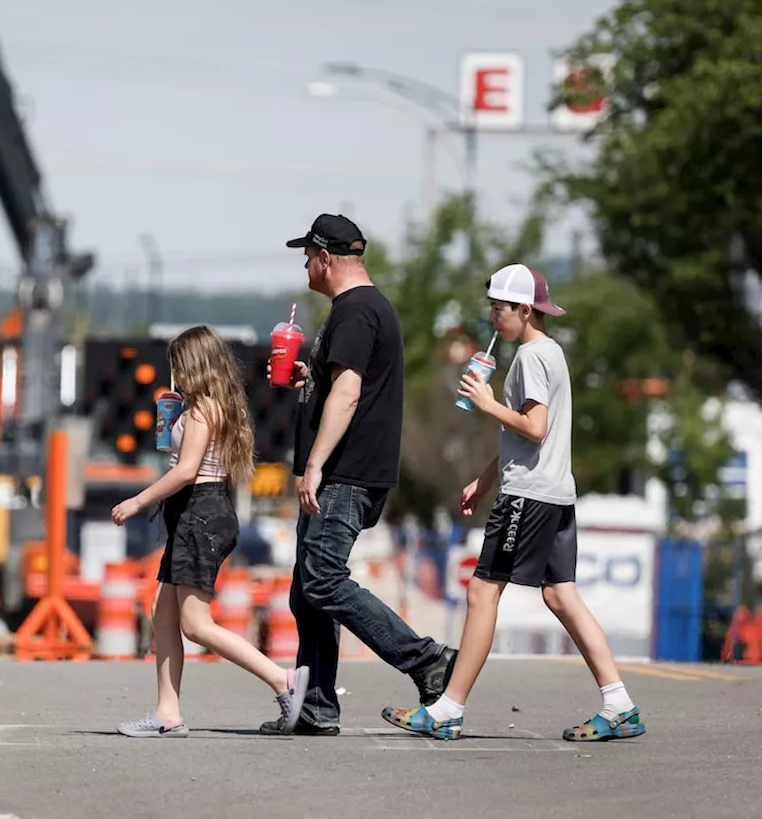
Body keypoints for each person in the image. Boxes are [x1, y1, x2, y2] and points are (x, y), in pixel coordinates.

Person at [382, 263, 646, 742]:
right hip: (553, 492)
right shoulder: (550, 352)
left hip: (529, 495)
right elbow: (525, 435)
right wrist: (484, 480)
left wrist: (485, 403)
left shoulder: (530, 357)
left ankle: (447, 710)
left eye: (499, 310)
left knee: (483, 591)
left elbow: (535, 426)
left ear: (525, 310)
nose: (493, 319)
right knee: (559, 594)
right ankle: (619, 704)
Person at [262, 214, 456, 737]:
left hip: (344, 474)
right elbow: (345, 384)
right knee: (307, 591)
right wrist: (309, 376)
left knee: (322, 580)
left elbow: (348, 395)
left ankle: (425, 660)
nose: (305, 264)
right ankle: (316, 707)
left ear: (326, 258)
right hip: (349, 472)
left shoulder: (354, 312)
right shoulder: (366, 310)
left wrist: (315, 465)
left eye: (307, 255)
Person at [112, 325, 311, 738]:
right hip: (194, 513)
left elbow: (187, 472)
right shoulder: (202, 406)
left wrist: (138, 501)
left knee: (195, 624)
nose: (175, 376)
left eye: (178, 367)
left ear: (195, 365)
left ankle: (283, 680)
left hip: (200, 513)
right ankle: (168, 713)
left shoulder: (203, 408)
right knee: (161, 613)